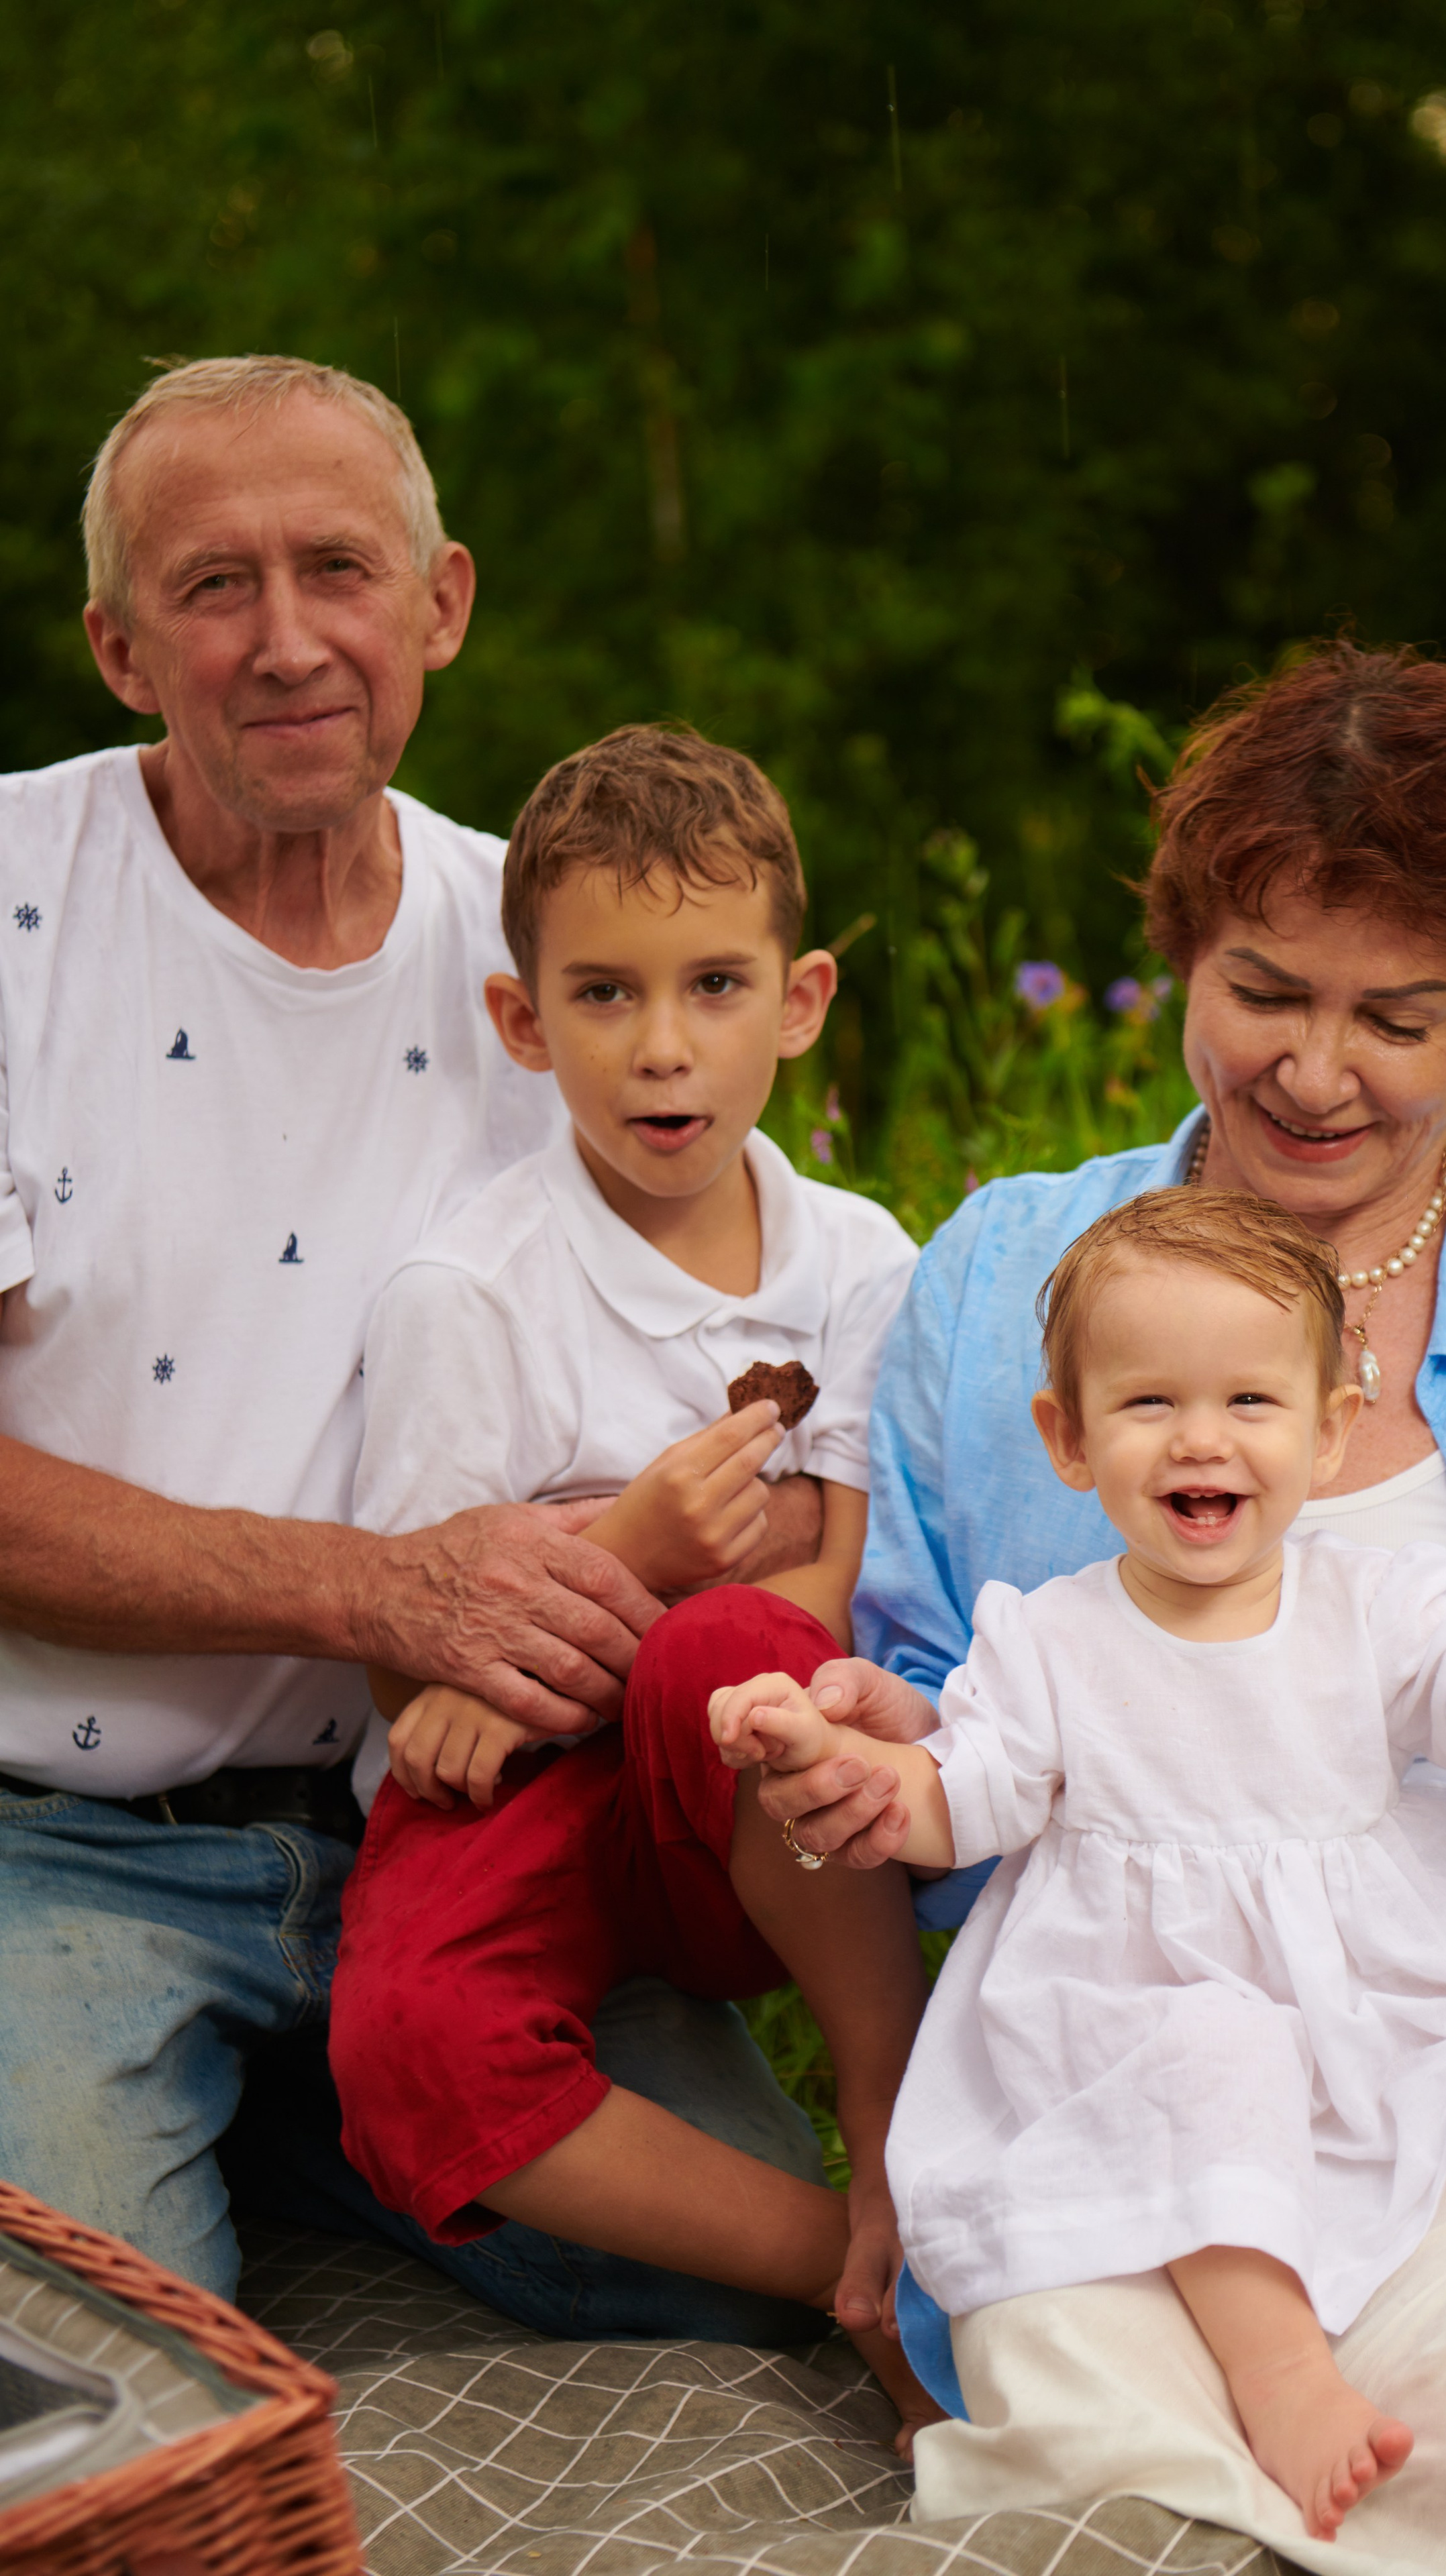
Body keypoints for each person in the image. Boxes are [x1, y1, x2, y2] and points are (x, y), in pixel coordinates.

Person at [754, 641, 1446, 2406]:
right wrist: (891, 1751)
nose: (1315, 1073)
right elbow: (944, 1788)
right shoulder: (1000, 1278)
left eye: (1398, 1021)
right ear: (1185, 950)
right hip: (1123, 2101)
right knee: (1123, 2434)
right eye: (1264, 991)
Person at [0, 356, 826, 2320]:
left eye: (338, 570)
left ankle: (302, 2117)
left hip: (475, 1819)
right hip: (64, 1840)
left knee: (722, 2265)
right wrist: (379, 1593)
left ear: (439, 604)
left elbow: (773, 1388)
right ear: (120, 648)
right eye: (214, 587)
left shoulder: (560, 956)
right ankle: (200, 2130)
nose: (288, 641)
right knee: (114, 2372)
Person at [712, 1187, 1446, 2541]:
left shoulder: (1378, 1600)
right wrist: (841, 1763)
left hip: (1381, 1956)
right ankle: (1282, 2374)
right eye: (1149, 1404)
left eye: (1251, 1401)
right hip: (1161, 1988)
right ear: (1067, 1440)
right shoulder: (1046, 1640)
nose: (1202, 1438)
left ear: (1328, 1428)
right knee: (1195, 2079)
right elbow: (963, 1794)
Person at [330, 724, 932, 2427]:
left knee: (731, 1649)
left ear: (798, 1001)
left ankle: (896, 2132)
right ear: (523, 1022)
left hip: (750, 1805)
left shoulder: (861, 1265)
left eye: (714, 986)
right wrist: (636, 1550)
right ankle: (853, 2268)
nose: (663, 1048)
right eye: (602, 994)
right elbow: (418, 1675)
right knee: (399, 2046)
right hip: (524, 1799)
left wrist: (607, 1588)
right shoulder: (469, 1292)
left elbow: (840, 1599)